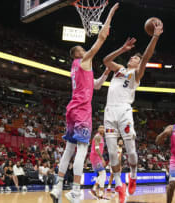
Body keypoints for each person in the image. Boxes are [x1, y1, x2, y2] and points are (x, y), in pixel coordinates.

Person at [50, 3, 119, 203]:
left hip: (72, 108)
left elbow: (96, 86)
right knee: (80, 149)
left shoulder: (77, 66)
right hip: (81, 110)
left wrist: (106, 72)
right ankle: (75, 190)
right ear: (78, 53)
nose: (85, 49)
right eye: (82, 48)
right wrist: (111, 14)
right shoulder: (84, 59)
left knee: (69, 149)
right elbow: (102, 37)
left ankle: (57, 187)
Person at [102, 19, 163, 203]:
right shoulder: (119, 70)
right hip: (109, 112)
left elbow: (146, 57)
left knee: (130, 150)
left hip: (124, 111)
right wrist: (122, 49)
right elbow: (106, 60)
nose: (133, 59)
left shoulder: (136, 74)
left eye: (135, 58)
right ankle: (120, 186)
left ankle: (134, 175)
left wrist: (155, 37)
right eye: (132, 57)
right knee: (112, 153)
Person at [89, 125, 106, 199]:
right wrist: (102, 158)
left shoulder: (101, 137)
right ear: (98, 129)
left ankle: (94, 189)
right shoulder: (97, 136)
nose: (102, 128)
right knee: (103, 174)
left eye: (103, 127)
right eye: (100, 127)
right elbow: (97, 148)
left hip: (97, 157)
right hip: (96, 157)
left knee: (101, 174)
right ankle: (101, 192)